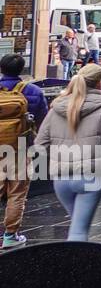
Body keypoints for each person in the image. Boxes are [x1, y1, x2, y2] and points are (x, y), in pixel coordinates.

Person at [35, 63, 101, 241]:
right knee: (79, 232)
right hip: (90, 176)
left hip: (61, 178)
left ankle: (76, 264)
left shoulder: (56, 108)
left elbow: (40, 143)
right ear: (100, 84)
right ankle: (75, 267)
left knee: (77, 226)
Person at [0, 54, 49, 249]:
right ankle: (11, 235)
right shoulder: (33, 91)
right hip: (20, 149)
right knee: (17, 193)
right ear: (21, 69)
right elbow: (42, 121)